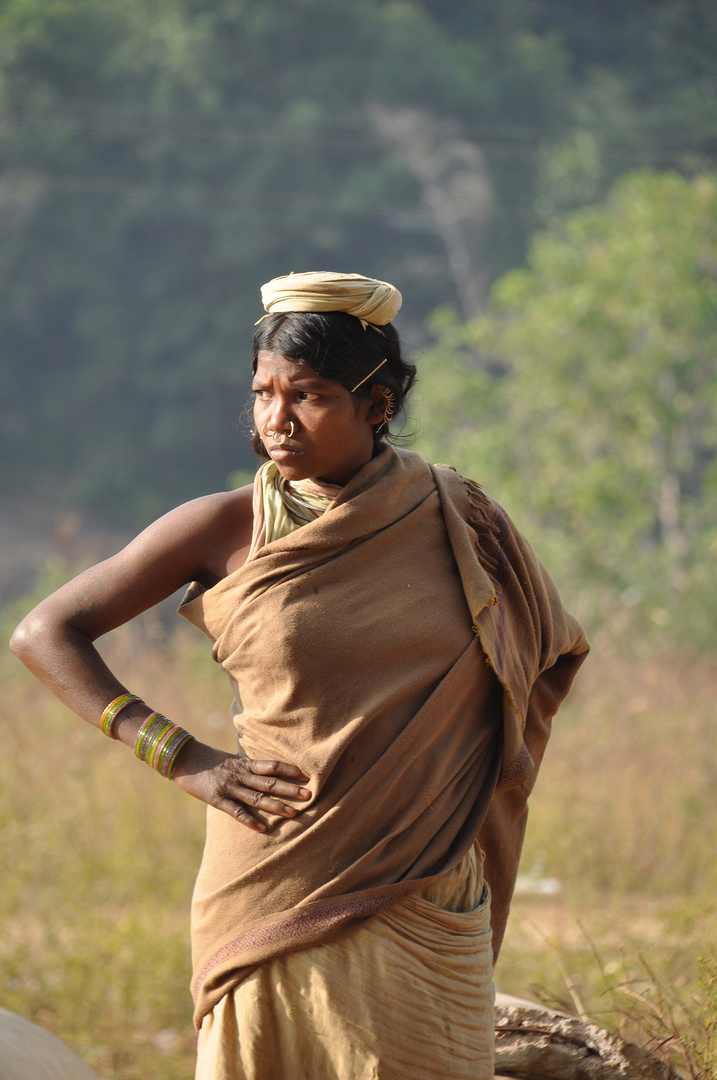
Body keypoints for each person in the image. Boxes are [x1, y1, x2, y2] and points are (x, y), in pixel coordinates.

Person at [10, 271, 589, 1080]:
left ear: (377, 403)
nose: (275, 421)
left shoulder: (463, 521)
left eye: (308, 395)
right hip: (275, 879)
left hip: (425, 882)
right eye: (261, 394)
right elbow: (45, 632)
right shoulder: (225, 527)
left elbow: (539, 655)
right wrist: (182, 757)